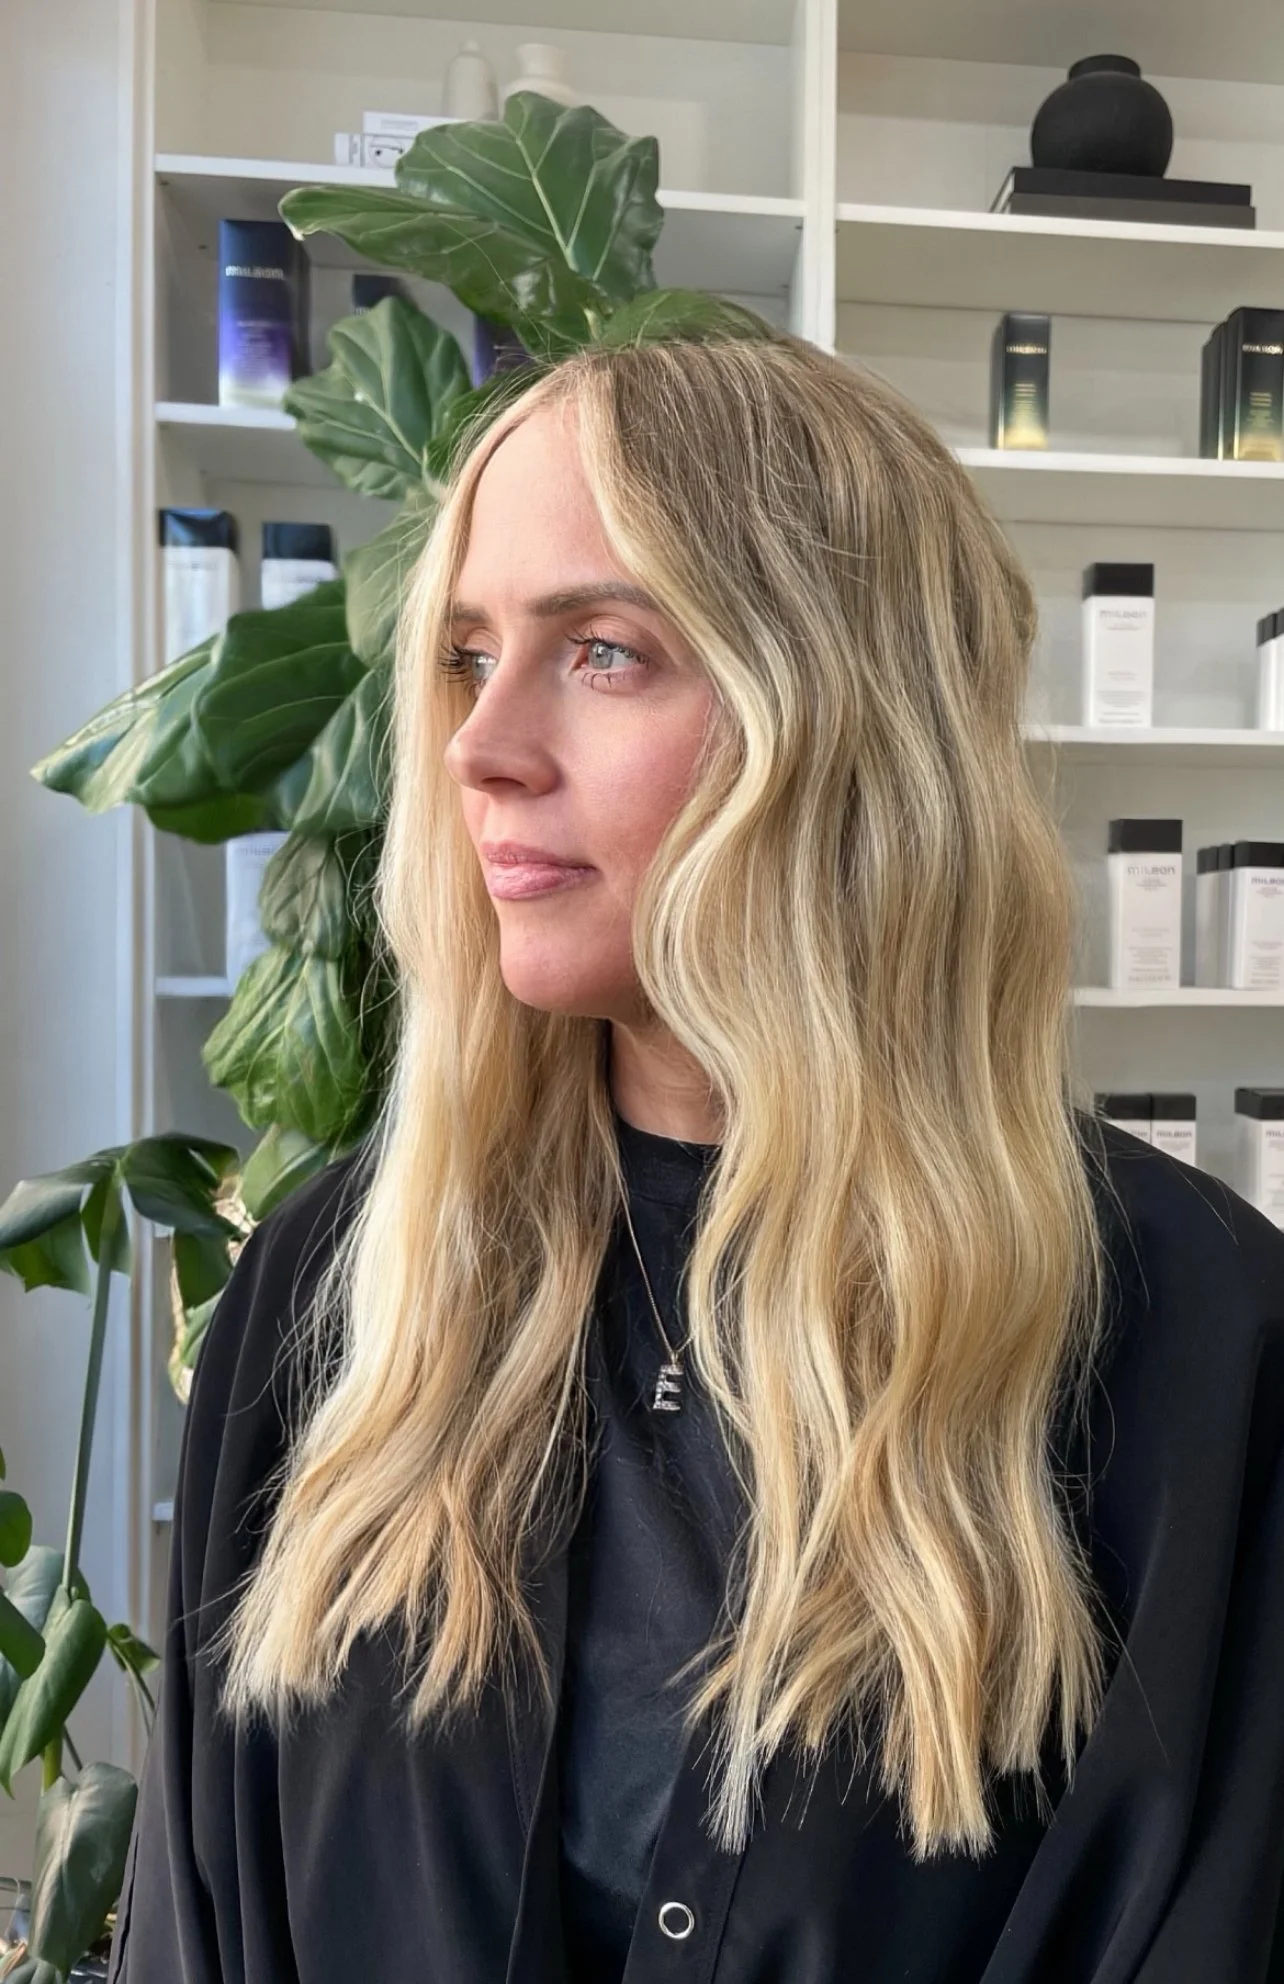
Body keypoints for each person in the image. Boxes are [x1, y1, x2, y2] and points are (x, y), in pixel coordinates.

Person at [107, 334, 1284, 1984]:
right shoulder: (337, 1295)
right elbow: (199, 1922)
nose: (479, 745)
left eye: (603, 651)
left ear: (852, 714)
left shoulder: (1196, 1334)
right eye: (466, 656)